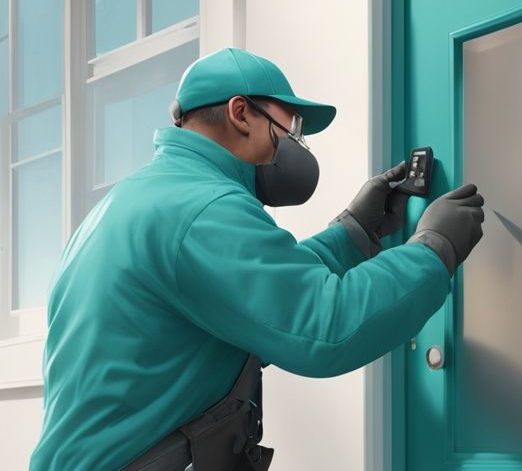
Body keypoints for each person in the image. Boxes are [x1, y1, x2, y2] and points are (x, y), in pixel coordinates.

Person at [29, 47, 485, 470]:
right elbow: (325, 326)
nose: (291, 146)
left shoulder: (140, 198)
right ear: (241, 112)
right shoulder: (203, 208)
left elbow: (257, 292)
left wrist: (352, 233)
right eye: (289, 128)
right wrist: (433, 249)